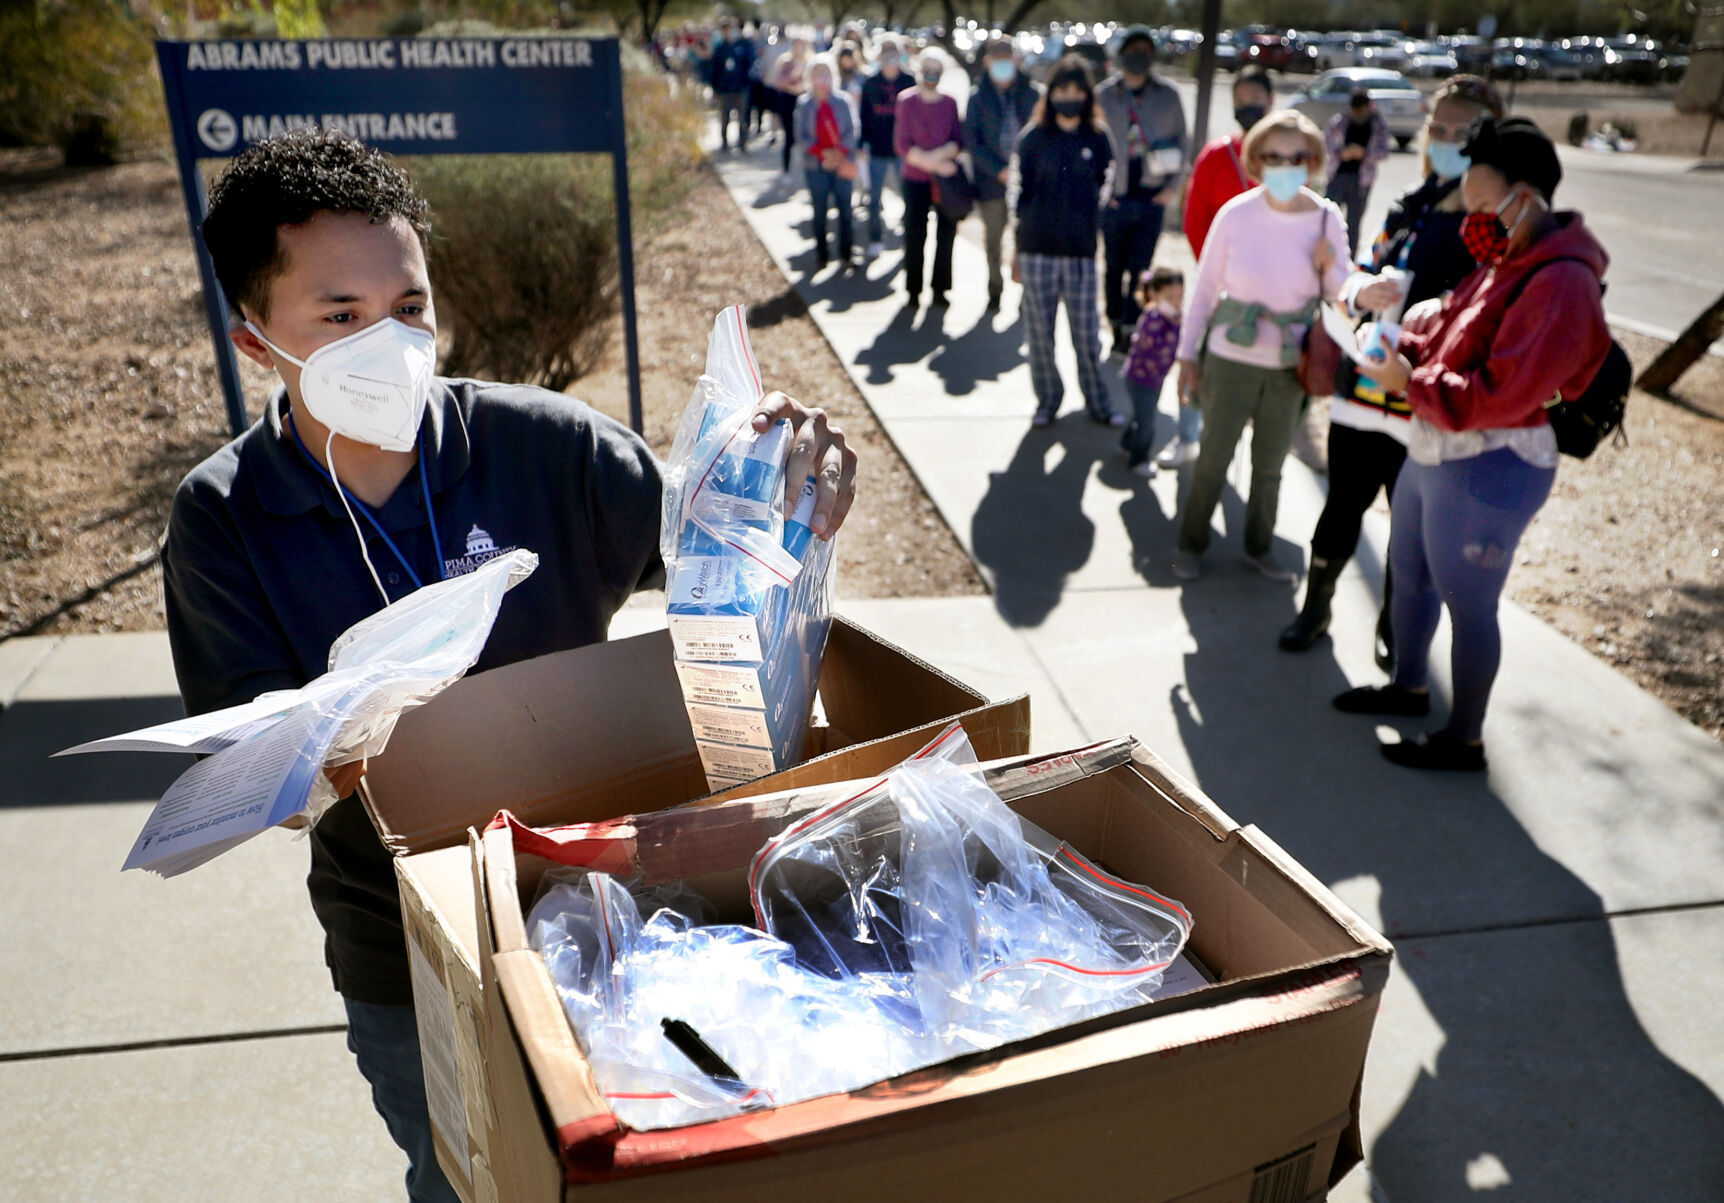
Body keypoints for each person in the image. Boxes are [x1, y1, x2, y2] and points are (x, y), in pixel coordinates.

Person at [165, 128, 858, 1202]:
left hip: (613, 914)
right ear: (256, 341)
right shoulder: (224, 518)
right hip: (407, 955)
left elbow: (715, 550)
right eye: (340, 318)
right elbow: (254, 775)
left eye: (408, 307)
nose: (389, 343)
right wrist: (352, 739)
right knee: (470, 1181)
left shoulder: (549, 446)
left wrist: (783, 490)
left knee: (657, 1170)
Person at [1332, 116, 1610, 770]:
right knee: (1410, 574)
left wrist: (1407, 380)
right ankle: (1408, 687)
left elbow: (1501, 393)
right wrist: (1402, 341)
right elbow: (1452, 332)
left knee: (1469, 604)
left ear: (1527, 198)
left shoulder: (1562, 281)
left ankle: (1465, 738)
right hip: (1437, 448)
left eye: (1483, 204)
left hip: (1492, 464)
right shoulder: (1508, 257)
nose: (1471, 220)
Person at [1280, 75, 1505, 660]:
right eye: (1440, 129)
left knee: (1412, 529)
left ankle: (1396, 628)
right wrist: (1360, 292)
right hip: (1363, 388)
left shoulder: (1491, 220)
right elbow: (1366, 265)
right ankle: (1316, 609)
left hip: (1421, 399)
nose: (1448, 141)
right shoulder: (1412, 202)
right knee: (1341, 506)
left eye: (1463, 132)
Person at [1171, 110, 1350, 583]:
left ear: (1312, 160)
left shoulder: (1327, 218)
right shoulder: (1236, 214)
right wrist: (1186, 356)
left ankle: (1259, 546)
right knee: (1212, 460)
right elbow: (1204, 289)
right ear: (1256, 160)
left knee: (1270, 468)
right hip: (1229, 361)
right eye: (1274, 156)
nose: (1286, 166)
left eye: (1297, 157)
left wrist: (1330, 268)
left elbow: (1342, 294)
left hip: (1290, 368)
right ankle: (1190, 543)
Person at [1013, 55, 1124, 428]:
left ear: (1088, 95)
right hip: (1036, 250)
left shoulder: (1098, 137)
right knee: (1040, 335)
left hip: (1080, 253)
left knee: (1087, 335)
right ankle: (1047, 400)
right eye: (1062, 90)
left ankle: (1098, 402)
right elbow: (1017, 194)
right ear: (1051, 93)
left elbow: (1105, 189)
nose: (1070, 98)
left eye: (1077, 91)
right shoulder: (1033, 137)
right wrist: (1016, 248)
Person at [1170, 66, 1272, 469]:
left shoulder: (1284, 158)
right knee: (1196, 354)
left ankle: (1231, 441)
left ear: (1271, 101)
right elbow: (1195, 219)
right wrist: (1217, 271)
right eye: (1240, 100)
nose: (1248, 106)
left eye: (1255, 99)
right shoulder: (1216, 156)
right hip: (1218, 282)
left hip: (1270, 287)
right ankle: (1186, 437)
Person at [1095, 25, 1188, 354]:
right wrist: (1101, 193)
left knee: (1140, 268)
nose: (1139, 57)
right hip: (1115, 197)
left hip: (1152, 196)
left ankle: (1132, 327)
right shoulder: (1105, 95)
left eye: (1146, 52)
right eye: (1133, 51)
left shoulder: (1168, 95)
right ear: (1122, 55)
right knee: (1113, 267)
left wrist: (1172, 188)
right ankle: (1113, 320)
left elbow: (1183, 142)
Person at [963, 38, 1041, 311]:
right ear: (987, 62)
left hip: (1027, 183)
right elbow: (972, 142)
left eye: (1007, 59)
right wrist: (999, 171)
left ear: (1016, 60)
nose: (1003, 65)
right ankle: (995, 290)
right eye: (997, 60)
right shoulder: (978, 97)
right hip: (992, 182)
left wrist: (1024, 172)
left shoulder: (1032, 94)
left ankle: (1024, 296)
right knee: (994, 241)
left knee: (1026, 242)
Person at [894, 51, 964, 308]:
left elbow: (958, 140)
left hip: (945, 183)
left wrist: (941, 158)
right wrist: (933, 163)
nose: (931, 75)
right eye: (927, 70)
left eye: (936, 71)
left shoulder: (949, 103)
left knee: (946, 235)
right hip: (916, 179)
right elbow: (902, 144)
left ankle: (940, 288)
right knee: (915, 234)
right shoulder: (907, 100)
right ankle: (913, 289)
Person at [795, 57, 860, 270]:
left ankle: (846, 253)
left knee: (845, 210)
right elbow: (801, 136)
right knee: (819, 210)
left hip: (842, 162)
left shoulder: (843, 101)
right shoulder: (804, 104)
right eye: (817, 73)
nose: (822, 78)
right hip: (815, 166)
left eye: (826, 73)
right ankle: (822, 255)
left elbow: (852, 130)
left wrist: (838, 153)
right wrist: (822, 153)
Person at [1119, 266, 1184, 477]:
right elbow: (1156, 348)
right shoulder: (1153, 319)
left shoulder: (1172, 318)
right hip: (1140, 380)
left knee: (1140, 415)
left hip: (1155, 380)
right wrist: (1176, 326)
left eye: (1180, 297)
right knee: (1146, 421)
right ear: (1154, 294)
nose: (1176, 302)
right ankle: (1139, 459)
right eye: (1170, 297)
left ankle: (1127, 443)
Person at [859, 37, 914, 262]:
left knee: (909, 196)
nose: (890, 57)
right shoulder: (870, 83)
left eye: (894, 51)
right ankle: (875, 238)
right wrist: (861, 144)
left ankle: (909, 237)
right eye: (886, 52)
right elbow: (864, 117)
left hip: (904, 151)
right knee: (873, 199)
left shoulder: (910, 81)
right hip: (877, 151)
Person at [1324, 90, 1393, 259]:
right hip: (1337, 175)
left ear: (1368, 107)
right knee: (1326, 218)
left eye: (1360, 111)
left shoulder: (1378, 124)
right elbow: (1326, 141)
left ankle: (1348, 260)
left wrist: (1364, 154)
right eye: (1354, 111)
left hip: (1362, 180)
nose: (1357, 115)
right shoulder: (1341, 120)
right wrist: (1341, 153)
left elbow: (1385, 150)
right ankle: (1324, 255)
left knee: (1353, 224)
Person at [707, 17, 755, 151]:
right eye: (725, 29)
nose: (728, 32)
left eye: (730, 29)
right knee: (724, 118)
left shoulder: (744, 45)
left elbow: (750, 64)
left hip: (740, 88)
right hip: (724, 89)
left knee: (742, 118)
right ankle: (724, 143)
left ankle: (743, 143)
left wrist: (746, 83)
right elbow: (714, 70)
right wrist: (714, 88)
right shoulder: (720, 48)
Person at [769, 37, 811, 176]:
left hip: (805, 102)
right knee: (789, 136)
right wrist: (793, 77)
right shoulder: (785, 61)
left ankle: (807, 169)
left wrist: (803, 86)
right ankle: (786, 169)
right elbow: (778, 82)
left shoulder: (809, 61)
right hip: (788, 101)